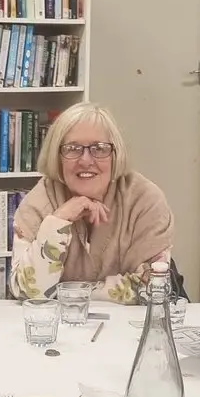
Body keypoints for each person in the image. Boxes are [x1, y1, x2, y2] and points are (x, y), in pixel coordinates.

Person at [10, 101, 175, 303]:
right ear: (57, 156)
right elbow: (28, 293)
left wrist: (70, 294)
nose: (86, 160)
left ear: (116, 155)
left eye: (99, 148)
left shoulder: (146, 200)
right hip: (58, 327)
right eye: (73, 148)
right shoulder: (38, 200)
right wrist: (57, 221)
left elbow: (153, 286)